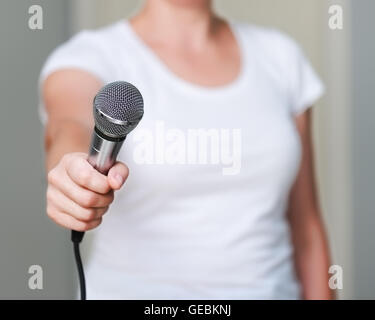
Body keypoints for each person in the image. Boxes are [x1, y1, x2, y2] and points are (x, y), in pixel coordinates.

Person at [40, 0, 333, 299]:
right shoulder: (90, 56)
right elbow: (68, 125)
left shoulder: (281, 57)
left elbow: (306, 227)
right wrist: (70, 173)